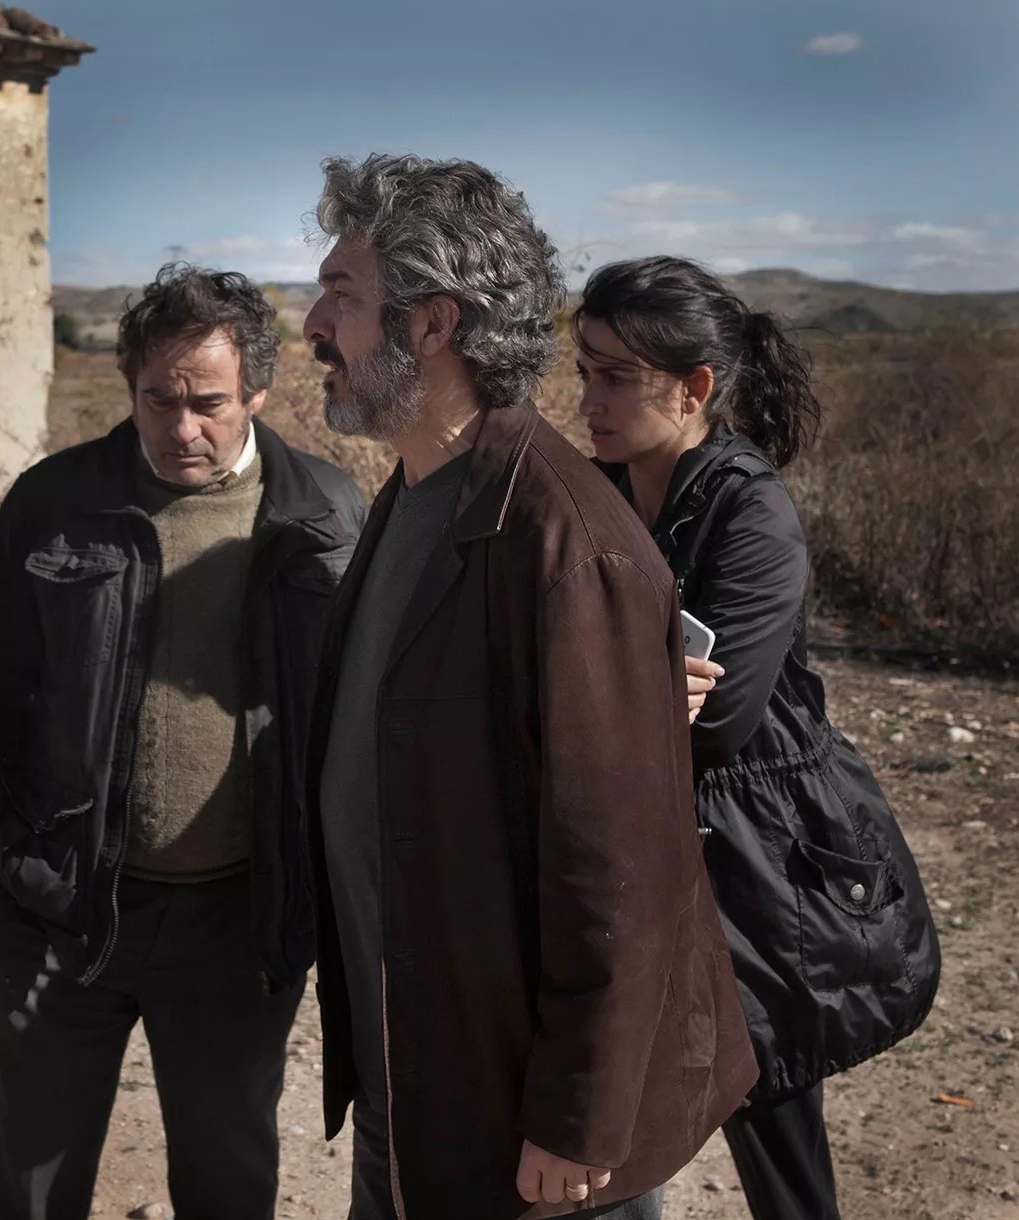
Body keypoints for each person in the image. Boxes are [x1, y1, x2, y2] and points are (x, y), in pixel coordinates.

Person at [301, 153, 759, 1219]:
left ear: (432, 324)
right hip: (418, 1076)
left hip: (526, 1135)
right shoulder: (411, 499)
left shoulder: (569, 543)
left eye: (341, 294)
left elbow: (625, 867)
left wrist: (576, 1115)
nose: (313, 325)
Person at [0, 264, 366, 1219]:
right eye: (157, 400)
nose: (182, 428)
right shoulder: (54, 503)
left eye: (207, 403)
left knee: (227, 1180)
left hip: (238, 925)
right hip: (60, 916)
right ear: (128, 386)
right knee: (29, 1181)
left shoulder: (326, 515)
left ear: (257, 391)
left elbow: (352, 727)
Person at [574, 255, 940, 1220]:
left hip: (753, 859)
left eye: (616, 377)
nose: (588, 400)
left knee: (771, 1115)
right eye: (584, 371)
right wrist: (637, 686)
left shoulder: (751, 509)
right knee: (603, 1101)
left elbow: (721, 723)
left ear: (694, 388)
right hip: (637, 841)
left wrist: (596, 690)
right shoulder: (592, 495)